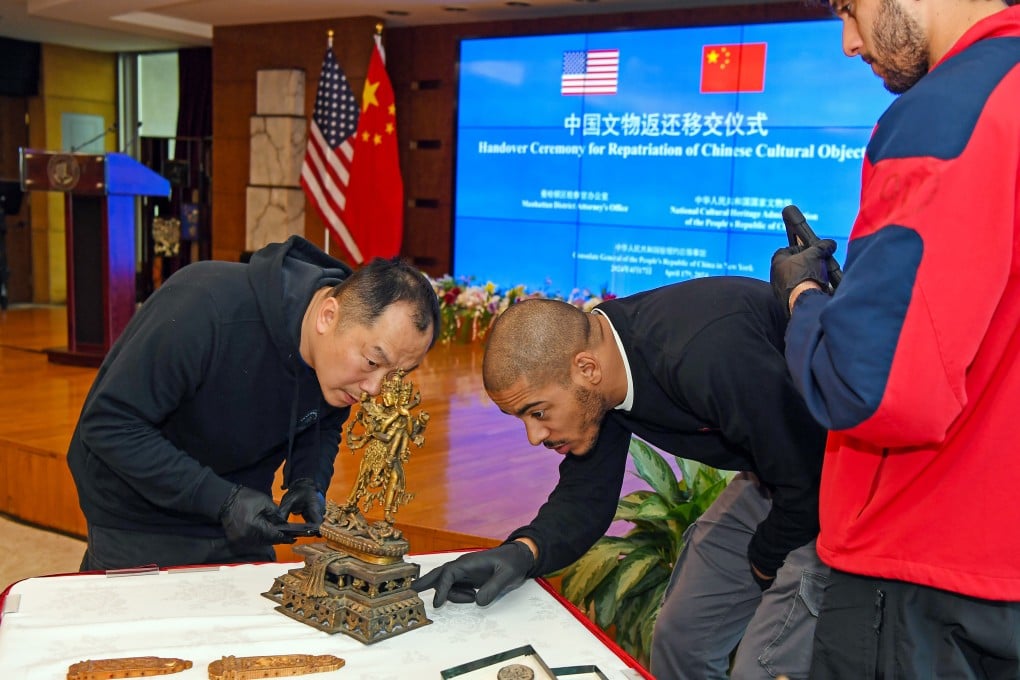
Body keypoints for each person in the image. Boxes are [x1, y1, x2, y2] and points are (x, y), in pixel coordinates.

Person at [769, 0, 1020, 676]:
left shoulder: (952, 107)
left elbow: (871, 387)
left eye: (850, 8)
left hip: (925, 572)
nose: (849, 43)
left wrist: (806, 298)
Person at [414, 276, 829, 680]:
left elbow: (807, 476)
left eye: (538, 412)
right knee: (682, 638)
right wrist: (523, 552)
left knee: (765, 666)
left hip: (843, 479)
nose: (534, 435)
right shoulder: (600, 371)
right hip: (780, 472)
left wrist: (763, 558)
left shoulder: (703, 352)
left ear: (587, 368)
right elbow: (586, 495)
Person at [67, 235, 439, 572]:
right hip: (137, 517)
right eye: (373, 362)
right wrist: (222, 500)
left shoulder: (340, 363)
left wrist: (308, 478)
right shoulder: (205, 306)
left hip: (240, 518)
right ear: (328, 315)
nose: (375, 388)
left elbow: (320, 421)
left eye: (395, 375)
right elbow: (109, 426)